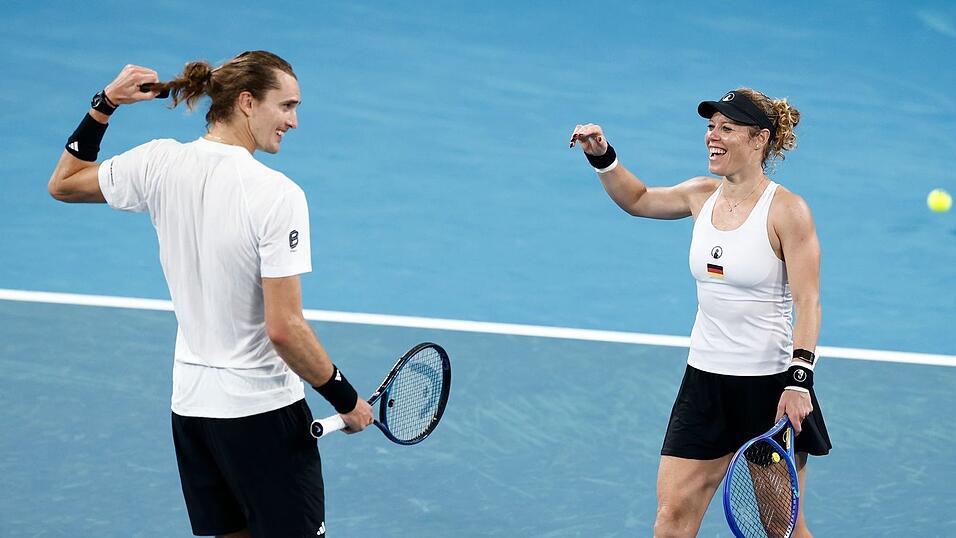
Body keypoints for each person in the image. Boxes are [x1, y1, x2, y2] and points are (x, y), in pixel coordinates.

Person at [47, 51, 374, 538]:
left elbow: (64, 183)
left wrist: (103, 105)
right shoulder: (277, 195)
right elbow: (285, 329)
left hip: (193, 411)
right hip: (262, 413)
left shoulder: (158, 162)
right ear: (246, 102)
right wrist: (345, 398)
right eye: (286, 106)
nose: (294, 121)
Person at [571, 88, 832, 537]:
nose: (713, 136)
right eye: (711, 126)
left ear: (759, 140)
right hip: (704, 385)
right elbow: (637, 200)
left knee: (781, 530)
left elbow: (809, 302)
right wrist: (603, 157)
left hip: (767, 389)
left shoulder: (788, 211)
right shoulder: (700, 194)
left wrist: (799, 381)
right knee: (671, 519)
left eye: (727, 128)